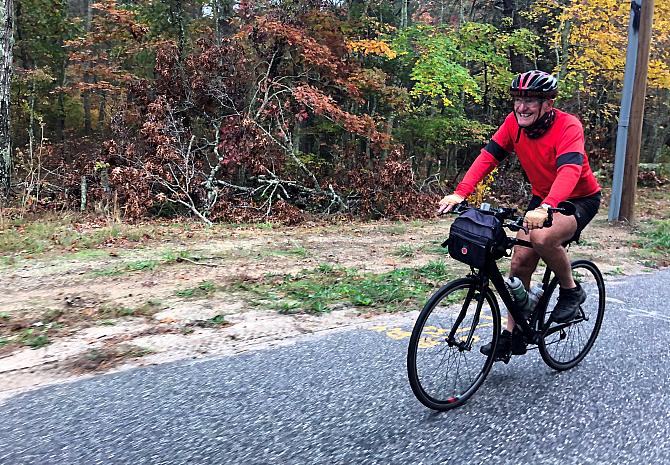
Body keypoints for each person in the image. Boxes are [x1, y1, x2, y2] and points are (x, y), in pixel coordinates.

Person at [437, 69, 602, 358]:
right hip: (543, 198)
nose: (522, 107)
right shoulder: (513, 124)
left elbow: (570, 170)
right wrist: (461, 191)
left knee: (542, 238)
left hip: (579, 197)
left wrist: (547, 206)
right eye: (518, 99)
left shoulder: (568, 126)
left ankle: (571, 290)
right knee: (520, 263)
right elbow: (488, 156)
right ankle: (512, 335)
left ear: (548, 104)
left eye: (531, 100)